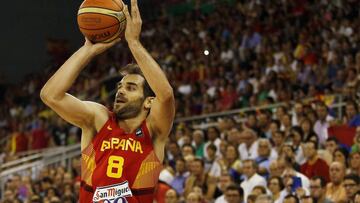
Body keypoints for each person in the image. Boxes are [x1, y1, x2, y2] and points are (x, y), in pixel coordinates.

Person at [40, 0, 175, 202]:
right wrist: (88, 51)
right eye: (120, 87)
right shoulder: (99, 119)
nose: (120, 92)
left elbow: (165, 95)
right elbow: (50, 95)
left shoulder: (154, 131)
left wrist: (134, 44)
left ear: (148, 102)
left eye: (130, 88)